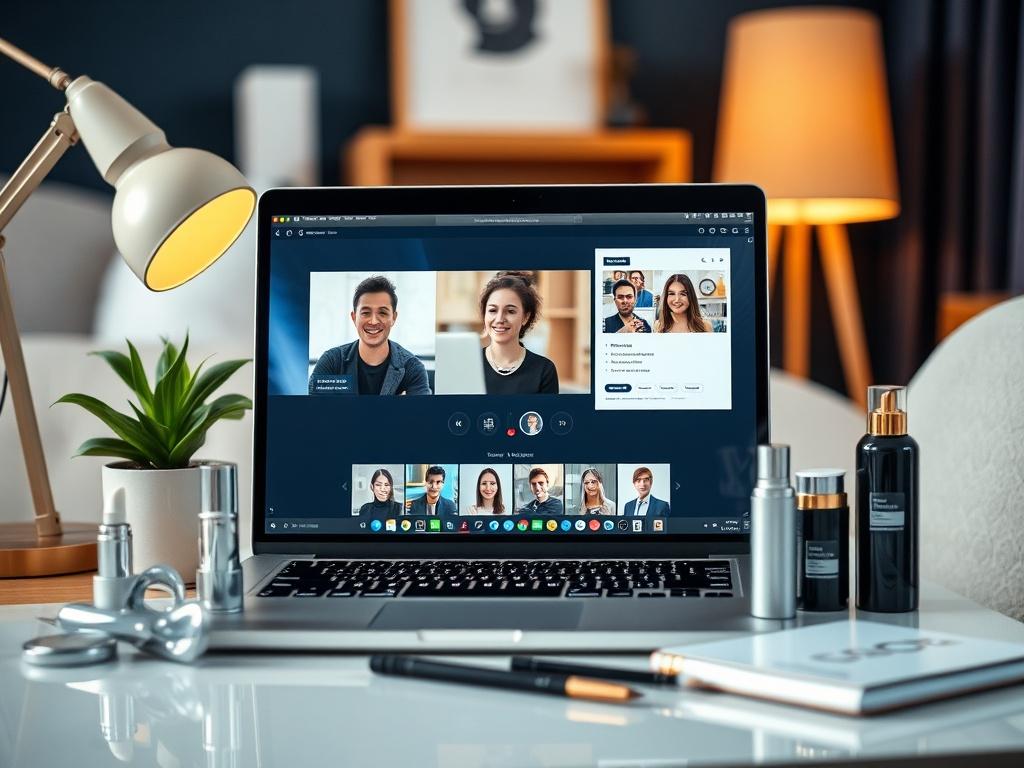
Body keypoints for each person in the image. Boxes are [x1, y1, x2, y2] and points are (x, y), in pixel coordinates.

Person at [309, 275, 431, 395]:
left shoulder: (413, 369)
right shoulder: (331, 362)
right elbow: (316, 412)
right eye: (366, 313)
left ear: (393, 318)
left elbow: (420, 414)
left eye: (382, 313)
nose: (373, 321)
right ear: (354, 317)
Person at [479, 271, 559, 395]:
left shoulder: (544, 370)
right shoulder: (467, 364)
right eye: (493, 310)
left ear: (525, 317)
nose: (499, 319)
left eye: (510, 311)